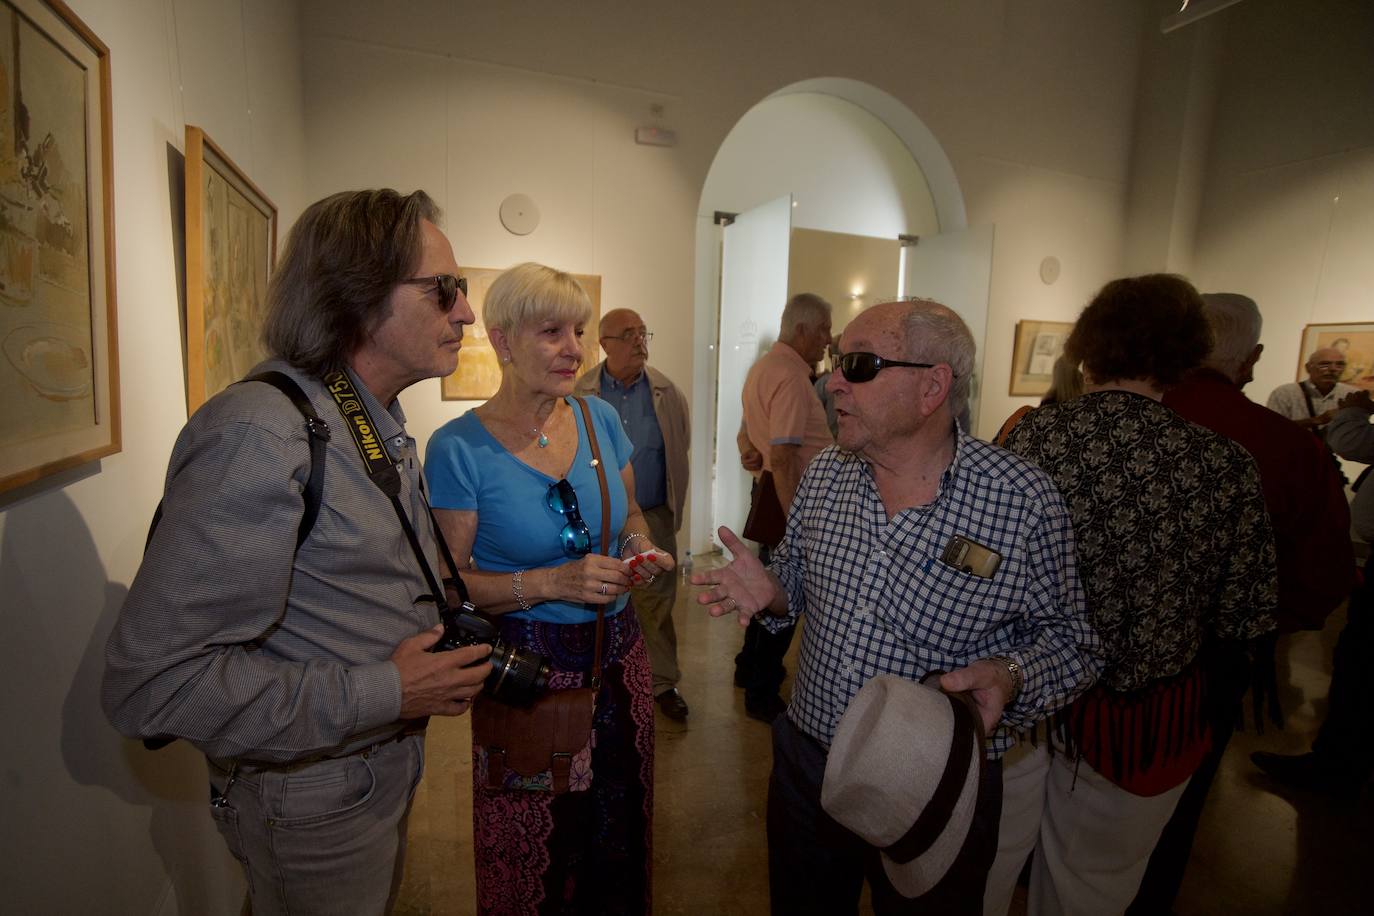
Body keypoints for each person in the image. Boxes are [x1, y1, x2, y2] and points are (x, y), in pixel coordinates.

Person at [102, 189, 492, 915]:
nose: (466, 311)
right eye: (444, 290)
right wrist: (391, 690)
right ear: (359, 295)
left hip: (367, 771)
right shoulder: (263, 436)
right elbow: (151, 685)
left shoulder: (368, 420)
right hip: (312, 798)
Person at [694, 299, 1102, 915]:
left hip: (940, 782)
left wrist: (1011, 676)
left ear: (933, 387)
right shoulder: (827, 474)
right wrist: (774, 591)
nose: (832, 381)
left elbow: (1074, 642)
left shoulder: (1021, 499)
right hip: (810, 762)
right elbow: (796, 585)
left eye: (857, 365)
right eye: (835, 362)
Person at [990, 274, 1279, 916]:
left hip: (1024, 695)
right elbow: (1245, 612)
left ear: (1091, 346)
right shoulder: (1223, 462)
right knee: (1092, 886)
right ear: (1188, 353)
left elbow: (986, 570)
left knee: (987, 865)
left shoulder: (1034, 439)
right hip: (1142, 720)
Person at [425, 262, 670, 914]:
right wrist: (548, 582)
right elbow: (450, 590)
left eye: (581, 331)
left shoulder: (599, 420)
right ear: (502, 341)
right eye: (552, 331)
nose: (574, 349)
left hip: (621, 663)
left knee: (620, 834)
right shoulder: (458, 449)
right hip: (528, 674)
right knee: (532, 851)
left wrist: (640, 549)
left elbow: (633, 516)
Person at [1126, 292, 1355, 914]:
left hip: (1101, 648)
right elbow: (1325, 572)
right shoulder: (1281, 443)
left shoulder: (1117, 423)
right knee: (1175, 803)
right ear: (1250, 357)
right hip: (1212, 661)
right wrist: (1259, 626)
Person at [1251, 388, 1374, 793]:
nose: (1330, 373)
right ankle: (1340, 760)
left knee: (1359, 661)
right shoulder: (1287, 397)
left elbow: (1349, 441)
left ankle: (1340, 763)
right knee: (1356, 660)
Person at [574, 307, 692, 721]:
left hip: (653, 516)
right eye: (629, 335)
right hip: (598, 518)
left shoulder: (666, 392)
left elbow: (680, 447)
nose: (640, 342)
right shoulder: (581, 392)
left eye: (644, 333)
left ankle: (662, 682)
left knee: (656, 604)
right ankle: (600, 678)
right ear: (604, 344)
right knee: (601, 600)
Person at [735, 292, 835, 723]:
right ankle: (762, 688)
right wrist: (799, 521)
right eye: (825, 330)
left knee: (765, 585)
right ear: (802, 330)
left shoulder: (763, 367)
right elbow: (783, 455)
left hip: (772, 495)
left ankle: (747, 669)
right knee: (784, 597)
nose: (828, 340)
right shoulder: (792, 376)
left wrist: (746, 451)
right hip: (790, 499)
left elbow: (747, 434)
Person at [1266, 346, 1358, 433]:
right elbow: (1271, 428)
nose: (1332, 369)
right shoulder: (1284, 393)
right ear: (1308, 367)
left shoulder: (1353, 394)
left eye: (1339, 365)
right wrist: (1317, 420)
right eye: (1324, 364)